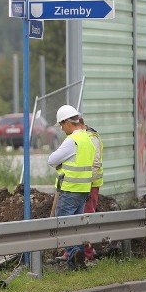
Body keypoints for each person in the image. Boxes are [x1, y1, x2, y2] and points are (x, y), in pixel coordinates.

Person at [48, 104, 96, 270]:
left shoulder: (72, 141)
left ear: (67, 123)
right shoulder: (88, 139)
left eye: (61, 125)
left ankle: (75, 256)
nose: (61, 129)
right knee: (76, 226)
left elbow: (52, 160)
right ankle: (79, 260)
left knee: (64, 225)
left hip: (70, 190)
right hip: (83, 190)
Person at [81, 117, 104, 260]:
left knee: (87, 217)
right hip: (81, 185)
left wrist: (87, 184)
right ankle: (74, 251)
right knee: (78, 218)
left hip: (90, 186)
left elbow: (95, 164)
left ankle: (88, 254)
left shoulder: (92, 139)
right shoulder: (82, 137)